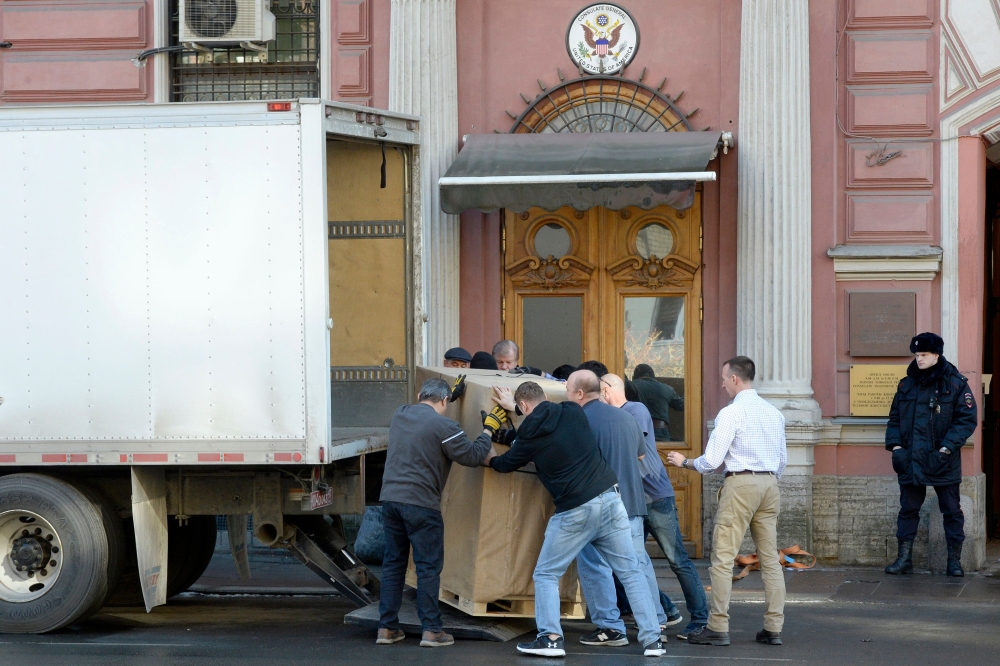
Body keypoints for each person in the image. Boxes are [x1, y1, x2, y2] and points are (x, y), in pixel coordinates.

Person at [487, 381, 666, 658]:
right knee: (630, 572)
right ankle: (653, 641)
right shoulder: (571, 411)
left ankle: (550, 638)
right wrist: (520, 413)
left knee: (546, 573)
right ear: (545, 397)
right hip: (611, 499)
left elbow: (504, 464)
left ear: (522, 407)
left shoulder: (528, 439)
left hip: (575, 509)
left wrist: (487, 452)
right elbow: (554, 429)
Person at [666, 356, 786, 648]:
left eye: (723, 378)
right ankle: (774, 627)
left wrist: (686, 462)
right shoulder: (774, 413)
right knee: (770, 559)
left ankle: (718, 627)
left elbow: (712, 461)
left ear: (734, 379)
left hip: (741, 484)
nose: (721, 384)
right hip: (770, 483)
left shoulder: (731, 413)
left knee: (722, 559)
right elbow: (782, 460)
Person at [376, 378, 503, 647]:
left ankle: (386, 629)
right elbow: (471, 455)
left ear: (420, 393)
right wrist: (488, 430)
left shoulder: (401, 414)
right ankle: (432, 631)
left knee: (393, 565)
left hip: (390, 501)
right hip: (422, 505)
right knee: (428, 568)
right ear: (444, 401)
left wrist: (450, 397)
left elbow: (427, 417)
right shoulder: (446, 426)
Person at [564, 370, 674, 647]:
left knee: (594, 564)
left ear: (580, 392)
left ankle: (610, 627)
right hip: (634, 501)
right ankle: (656, 621)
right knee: (637, 566)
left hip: (598, 503)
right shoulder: (627, 417)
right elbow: (640, 454)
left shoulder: (578, 420)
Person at [601, 374, 709, 639]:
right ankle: (663, 614)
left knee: (677, 560)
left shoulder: (634, 409)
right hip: (633, 502)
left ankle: (700, 619)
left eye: (600, 391)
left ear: (607, 390)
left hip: (656, 498)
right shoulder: (614, 416)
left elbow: (631, 448)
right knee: (633, 562)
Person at [884, 332, 978, 577]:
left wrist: (945, 449)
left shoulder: (956, 383)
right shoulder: (906, 384)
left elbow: (966, 421)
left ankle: (954, 562)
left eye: (924, 355)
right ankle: (903, 559)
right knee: (907, 510)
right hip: (910, 459)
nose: (919, 359)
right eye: (917, 355)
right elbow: (894, 419)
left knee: (951, 511)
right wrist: (896, 448)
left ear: (936, 355)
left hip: (942, 460)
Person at [630, 364, 684, 442]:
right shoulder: (667, 389)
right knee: (662, 454)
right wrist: (689, 392)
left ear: (635, 376)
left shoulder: (631, 386)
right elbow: (681, 405)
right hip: (661, 434)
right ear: (653, 376)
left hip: (636, 431)